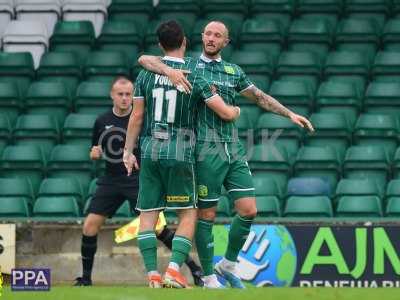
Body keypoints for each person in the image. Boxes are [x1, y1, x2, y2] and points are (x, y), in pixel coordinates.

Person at [137, 21, 314, 289]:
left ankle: (228, 264)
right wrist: (169, 72)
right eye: (207, 34)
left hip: (233, 148)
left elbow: (259, 97)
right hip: (205, 150)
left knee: (249, 209)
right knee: (206, 215)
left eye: (217, 35)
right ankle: (209, 277)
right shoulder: (190, 66)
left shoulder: (233, 70)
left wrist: (289, 113)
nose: (211, 38)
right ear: (200, 37)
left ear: (225, 42)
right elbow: (146, 59)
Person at [123, 20, 241, 288]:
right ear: (185, 41)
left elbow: (137, 116)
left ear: (159, 44)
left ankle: (152, 274)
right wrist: (234, 111)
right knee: (188, 213)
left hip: (151, 148)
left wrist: (128, 152)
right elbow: (223, 112)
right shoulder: (195, 73)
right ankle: (174, 269)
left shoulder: (145, 75)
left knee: (149, 213)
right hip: (180, 148)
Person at [74, 76, 203, 286]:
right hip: (111, 180)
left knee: (158, 229)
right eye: (120, 94)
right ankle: (86, 278)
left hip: (137, 179)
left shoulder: (142, 118)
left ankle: (193, 269)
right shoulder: (101, 121)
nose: (125, 98)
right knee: (89, 226)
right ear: (112, 95)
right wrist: (94, 153)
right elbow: (95, 150)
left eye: (128, 94)